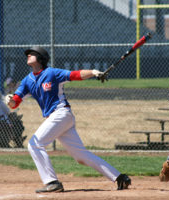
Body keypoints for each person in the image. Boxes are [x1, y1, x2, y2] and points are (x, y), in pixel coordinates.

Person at [7, 46, 131, 193]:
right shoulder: (27, 80)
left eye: (32, 54)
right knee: (81, 156)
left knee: (35, 144)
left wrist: (93, 72)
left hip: (61, 114)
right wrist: (10, 101)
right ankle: (120, 178)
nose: (28, 56)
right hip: (56, 119)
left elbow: (75, 75)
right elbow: (15, 101)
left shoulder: (52, 73)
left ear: (40, 58)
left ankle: (52, 182)